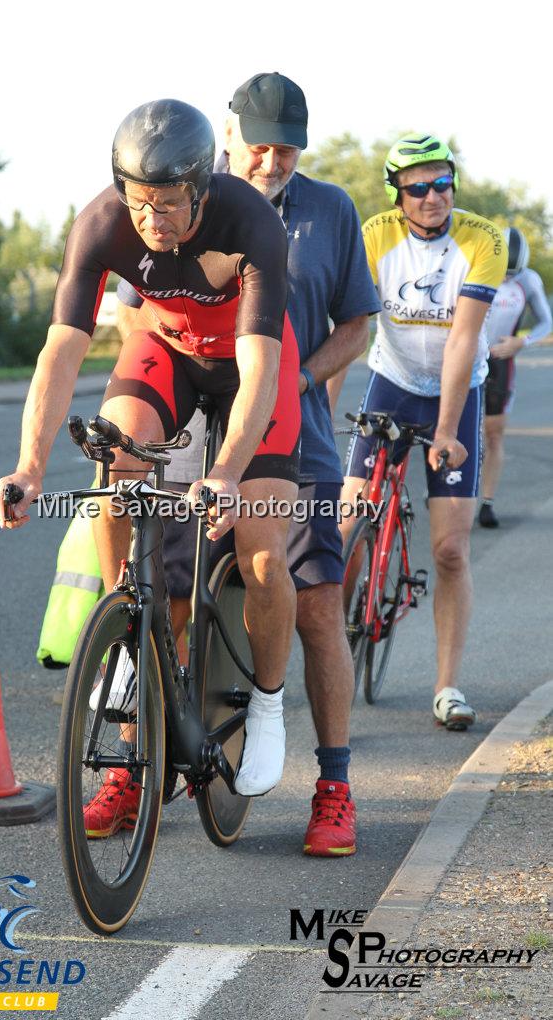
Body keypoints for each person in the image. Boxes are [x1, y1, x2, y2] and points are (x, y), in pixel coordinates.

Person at [0, 98, 301, 810]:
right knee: (115, 462)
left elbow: (258, 372)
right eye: (139, 204)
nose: (151, 221)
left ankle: (267, 707)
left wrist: (224, 474)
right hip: (167, 351)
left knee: (259, 551)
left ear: (201, 190)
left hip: (248, 367)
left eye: (167, 205)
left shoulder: (249, 223)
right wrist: (30, 467)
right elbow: (60, 352)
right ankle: (129, 640)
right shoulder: (101, 221)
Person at [115, 72, 380, 857]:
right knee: (161, 591)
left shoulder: (328, 209)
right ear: (228, 139)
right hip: (195, 428)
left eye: (287, 145)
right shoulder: (180, 194)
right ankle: (128, 769)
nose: (272, 158)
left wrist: (296, 380)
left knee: (315, 605)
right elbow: (134, 311)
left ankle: (333, 787)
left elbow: (356, 324)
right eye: (259, 142)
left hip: (296, 433)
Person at [340, 133, 507, 731]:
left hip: (454, 394)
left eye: (443, 184)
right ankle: (330, 650)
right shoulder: (374, 236)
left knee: (450, 551)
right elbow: (350, 327)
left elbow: (464, 338)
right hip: (392, 381)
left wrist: (444, 431)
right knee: (345, 526)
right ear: (398, 193)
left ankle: (447, 687)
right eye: (419, 188)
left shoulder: (483, 239)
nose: (433, 196)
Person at [479, 226, 552, 527]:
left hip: (500, 362)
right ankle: (446, 488)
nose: (507, 279)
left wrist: (520, 342)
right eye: (503, 272)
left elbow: (545, 323)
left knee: (494, 433)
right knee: (454, 429)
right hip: (466, 358)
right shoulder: (475, 267)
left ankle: (486, 502)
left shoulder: (529, 280)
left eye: (513, 273)